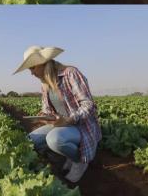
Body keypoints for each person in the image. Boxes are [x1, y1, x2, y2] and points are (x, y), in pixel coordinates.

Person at [13, 46, 101, 183]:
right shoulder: (45, 85)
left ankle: (80, 161)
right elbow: (48, 110)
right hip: (61, 125)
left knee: (54, 139)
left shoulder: (70, 73)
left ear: (43, 64)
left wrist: (68, 120)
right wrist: (43, 116)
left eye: (32, 68)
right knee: (31, 140)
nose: (31, 73)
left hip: (81, 125)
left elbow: (88, 105)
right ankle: (69, 156)